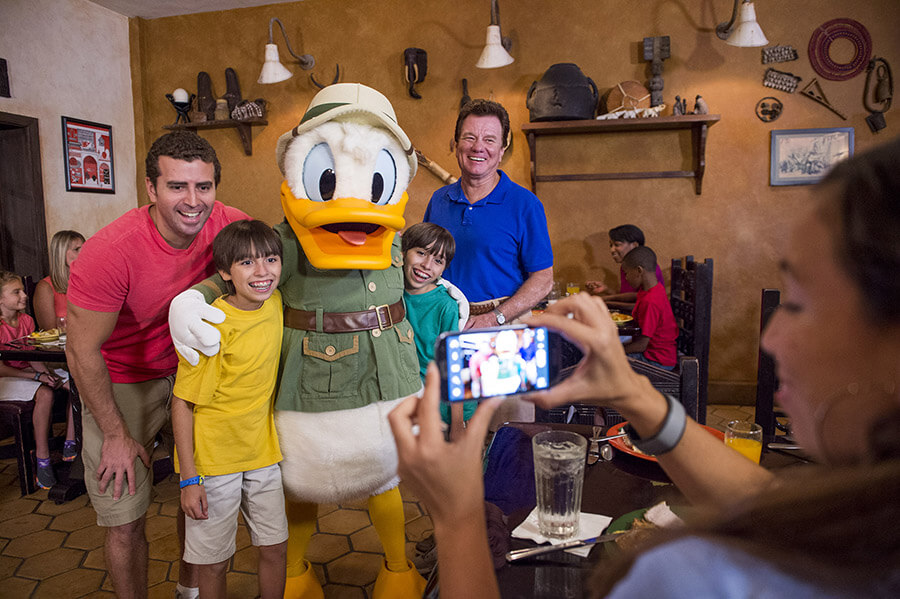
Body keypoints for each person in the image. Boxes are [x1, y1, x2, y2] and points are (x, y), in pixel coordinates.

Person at [389, 137, 900, 598]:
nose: (770, 336)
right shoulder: (866, 522)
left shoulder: (693, 578)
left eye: (801, 302)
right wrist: (635, 396)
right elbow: (773, 512)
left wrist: (455, 520)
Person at [66, 131, 249, 599]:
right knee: (125, 514)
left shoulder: (232, 227)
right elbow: (81, 350)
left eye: (203, 187)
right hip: (123, 379)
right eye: (177, 187)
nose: (193, 201)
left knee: (201, 500)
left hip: (195, 372)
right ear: (150, 188)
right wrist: (113, 433)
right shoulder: (110, 251)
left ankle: (188, 593)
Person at [172, 220, 287, 599]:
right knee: (215, 562)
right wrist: (189, 480)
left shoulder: (277, 303)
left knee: (274, 548)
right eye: (247, 263)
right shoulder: (212, 325)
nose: (262, 272)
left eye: (270, 259)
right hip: (213, 462)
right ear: (224, 273)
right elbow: (182, 403)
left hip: (262, 454)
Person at [424, 98, 553, 424]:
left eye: (489, 139)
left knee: (506, 438)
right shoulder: (439, 201)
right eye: (469, 137)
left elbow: (543, 279)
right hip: (449, 326)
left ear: (503, 146)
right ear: (455, 144)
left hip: (504, 331)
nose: (477, 147)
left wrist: (494, 318)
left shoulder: (525, 204)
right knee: (452, 431)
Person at [400, 222, 473, 440]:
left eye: (438, 261)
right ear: (403, 252)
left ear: (444, 268)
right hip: (411, 403)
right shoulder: (392, 292)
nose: (426, 265)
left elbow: (455, 366)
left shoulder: (445, 306)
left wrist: (458, 424)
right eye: (421, 253)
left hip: (446, 409)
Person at [0, 270, 69, 489]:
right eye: (16, 292)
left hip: (29, 373)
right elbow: (2, 369)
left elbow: (33, 356)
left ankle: (70, 444)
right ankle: (43, 458)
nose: (24, 296)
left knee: (74, 383)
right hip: (6, 379)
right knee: (46, 393)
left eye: (22, 290)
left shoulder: (26, 321)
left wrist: (46, 374)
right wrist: (37, 376)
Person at [621, 246, 677, 370]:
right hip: (655, 354)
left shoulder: (651, 301)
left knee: (604, 363)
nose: (626, 278)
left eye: (627, 273)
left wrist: (616, 350)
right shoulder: (653, 290)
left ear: (639, 271)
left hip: (657, 360)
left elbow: (641, 345)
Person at [585, 224, 664, 310]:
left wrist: (606, 303)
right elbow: (628, 296)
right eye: (611, 245)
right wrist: (607, 290)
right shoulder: (626, 267)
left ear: (634, 245)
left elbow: (644, 303)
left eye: (617, 245)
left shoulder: (647, 269)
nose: (612, 250)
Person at [33, 229, 84, 331]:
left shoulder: (88, 281)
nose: (84, 253)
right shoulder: (45, 287)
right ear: (61, 253)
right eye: (77, 249)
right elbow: (49, 331)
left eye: (85, 248)